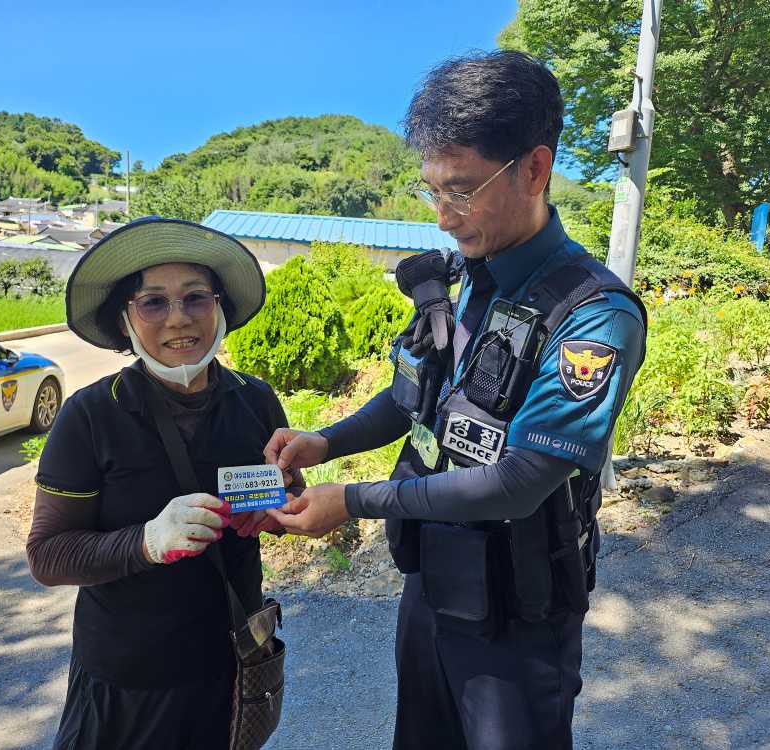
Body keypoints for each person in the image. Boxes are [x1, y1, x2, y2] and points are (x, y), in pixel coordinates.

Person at [264, 51, 648, 749]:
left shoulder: (594, 314)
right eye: (432, 190)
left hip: (518, 619)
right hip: (433, 589)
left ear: (535, 169)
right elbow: (418, 399)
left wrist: (350, 500)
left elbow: (520, 481)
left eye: (463, 190)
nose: (443, 215)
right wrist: (326, 441)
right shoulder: (467, 279)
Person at [26, 216, 297, 749]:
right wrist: (147, 541)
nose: (178, 319)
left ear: (219, 307)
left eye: (196, 297)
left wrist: (280, 509)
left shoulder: (255, 399)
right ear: (125, 320)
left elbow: (286, 496)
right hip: (126, 681)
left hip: (228, 666)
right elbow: (48, 554)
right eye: (153, 302)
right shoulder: (91, 416)